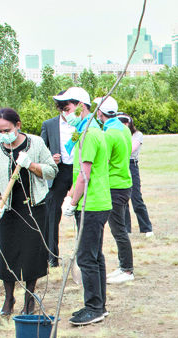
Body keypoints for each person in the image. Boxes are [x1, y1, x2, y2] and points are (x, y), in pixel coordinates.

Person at [0, 108, 57, 316]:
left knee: (31, 254)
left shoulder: (35, 144)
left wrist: (31, 165)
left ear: (18, 125)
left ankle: (30, 299)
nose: (3, 134)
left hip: (33, 208)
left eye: (7, 129)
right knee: (6, 253)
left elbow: (52, 170)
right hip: (7, 209)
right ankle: (9, 298)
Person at [60, 87, 112, 325]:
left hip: (91, 204)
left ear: (81, 105)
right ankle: (99, 305)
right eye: (62, 110)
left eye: (68, 109)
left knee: (86, 258)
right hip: (96, 202)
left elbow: (84, 175)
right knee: (94, 256)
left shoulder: (89, 134)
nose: (65, 114)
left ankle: (93, 307)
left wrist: (72, 202)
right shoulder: (88, 131)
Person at [94, 97, 135, 284]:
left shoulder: (109, 134)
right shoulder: (123, 128)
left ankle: (127, 270)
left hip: (114, 186)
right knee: (120, 229)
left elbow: (104, 160)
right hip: (124, 183)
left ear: (100, 113)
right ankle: (123, 267)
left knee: (119, 230)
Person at [41, 91, 77, 268]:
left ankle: (81, 254)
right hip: (59, 172)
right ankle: (51, 255)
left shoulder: (82, 124)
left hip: (78, 170)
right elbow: (41, 149)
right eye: (65, 109)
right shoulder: (49, 125)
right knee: (52, 213)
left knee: (80, 209)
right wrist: (50, 157)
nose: (68, 112)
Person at [118, 113, 153, 237]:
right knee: (122, 199)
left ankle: (146, 228)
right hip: (120, 164)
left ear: (128, 123)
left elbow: (130, 150)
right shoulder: (118, 135)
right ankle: (126, 229)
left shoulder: (137, 135)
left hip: (131, 164)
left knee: (136, 198)